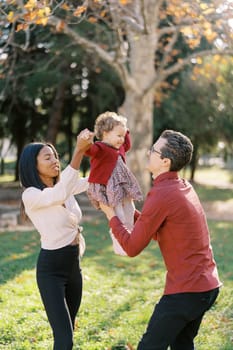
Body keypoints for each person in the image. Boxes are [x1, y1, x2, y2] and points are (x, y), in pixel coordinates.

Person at [100, 129, 222, 350]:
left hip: (187, 291)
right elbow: (160, 228)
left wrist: (111, 215)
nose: (149, 152)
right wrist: (128, 213)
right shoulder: (182, 186)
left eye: (153, 150)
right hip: (207, 287)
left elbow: (132, 247)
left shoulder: (163, 193)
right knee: (181, 345)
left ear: (165, 161)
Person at [18, 129, 94, 350]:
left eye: (56, 157)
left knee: (68, 331)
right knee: (64, 339)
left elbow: (92, 180)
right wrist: (79, 151)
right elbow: (59, 194)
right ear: (33, 165)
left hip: (73, 266)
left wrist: (112, 152)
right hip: (51, 270)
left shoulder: (64, 187)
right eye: (47, 157)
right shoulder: (31, 195)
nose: (55, 161)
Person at [85, 111, 143, 256]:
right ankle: (119, 244)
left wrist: (124, 130)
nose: (122, 140)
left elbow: (128, 144)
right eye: (119, 136)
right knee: (119, 215)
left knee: (130, 211)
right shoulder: (100, 147)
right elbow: (89, 151)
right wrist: (86, 141)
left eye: (123, 136)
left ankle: (130, 239)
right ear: (105, 133)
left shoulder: (120, 147)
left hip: (123, 185)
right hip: (109, 186)